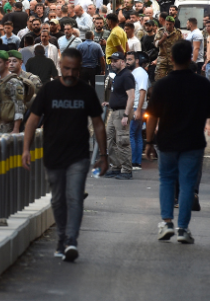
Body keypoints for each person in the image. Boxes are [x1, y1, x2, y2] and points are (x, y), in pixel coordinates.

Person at [22, 47, 106, 262]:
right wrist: (25, 149)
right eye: (66, 69)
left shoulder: (86, 92)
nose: (70, 74)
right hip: (53, 155)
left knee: (75, 197)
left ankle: (71, 241)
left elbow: (98, 124)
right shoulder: (49, 90)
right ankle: (61, 238)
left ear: (80, 70)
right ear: (60, 66)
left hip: (79, 156)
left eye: (74, 70)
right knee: (58, 200)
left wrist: (104, 155)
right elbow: (32, 120)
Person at [146, 40, 210, 244]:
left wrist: (149, 141)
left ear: (171, 59)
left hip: (167, 141)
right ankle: (183, 228)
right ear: (190, 58)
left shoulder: (161, 85)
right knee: (187, 185)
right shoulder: (202, 84)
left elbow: (152, 116)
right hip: (193, 141)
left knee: (167, 180)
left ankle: (167, 222)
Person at [103, 52, 135, 180]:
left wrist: (126, 115)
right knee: (110, 139)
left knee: (122, 141)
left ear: (123, 62)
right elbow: (119, 95)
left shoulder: (127, 76)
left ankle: (126, 170)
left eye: (116, 61)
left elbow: (131, 97)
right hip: (114, 111)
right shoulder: (118, 76)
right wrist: (110, 103)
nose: (113, 63)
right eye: (112, 61)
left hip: (122, 112)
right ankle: (116, 166)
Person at [0, 51, 25, 139]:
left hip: (9, 130)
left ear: (6, 64)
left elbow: (19, 106)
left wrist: (16, 129)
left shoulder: (14, 82)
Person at [127, 52, 149, 171]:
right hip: (136, 107)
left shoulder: (140, 73)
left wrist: (138, 110)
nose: (127, 62)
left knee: (131, 134)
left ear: (136, 60)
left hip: (136, 107)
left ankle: (133, 162)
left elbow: (142, 91)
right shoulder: (136, 72)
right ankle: (136, 163)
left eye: (130, 59)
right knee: (137, 134)